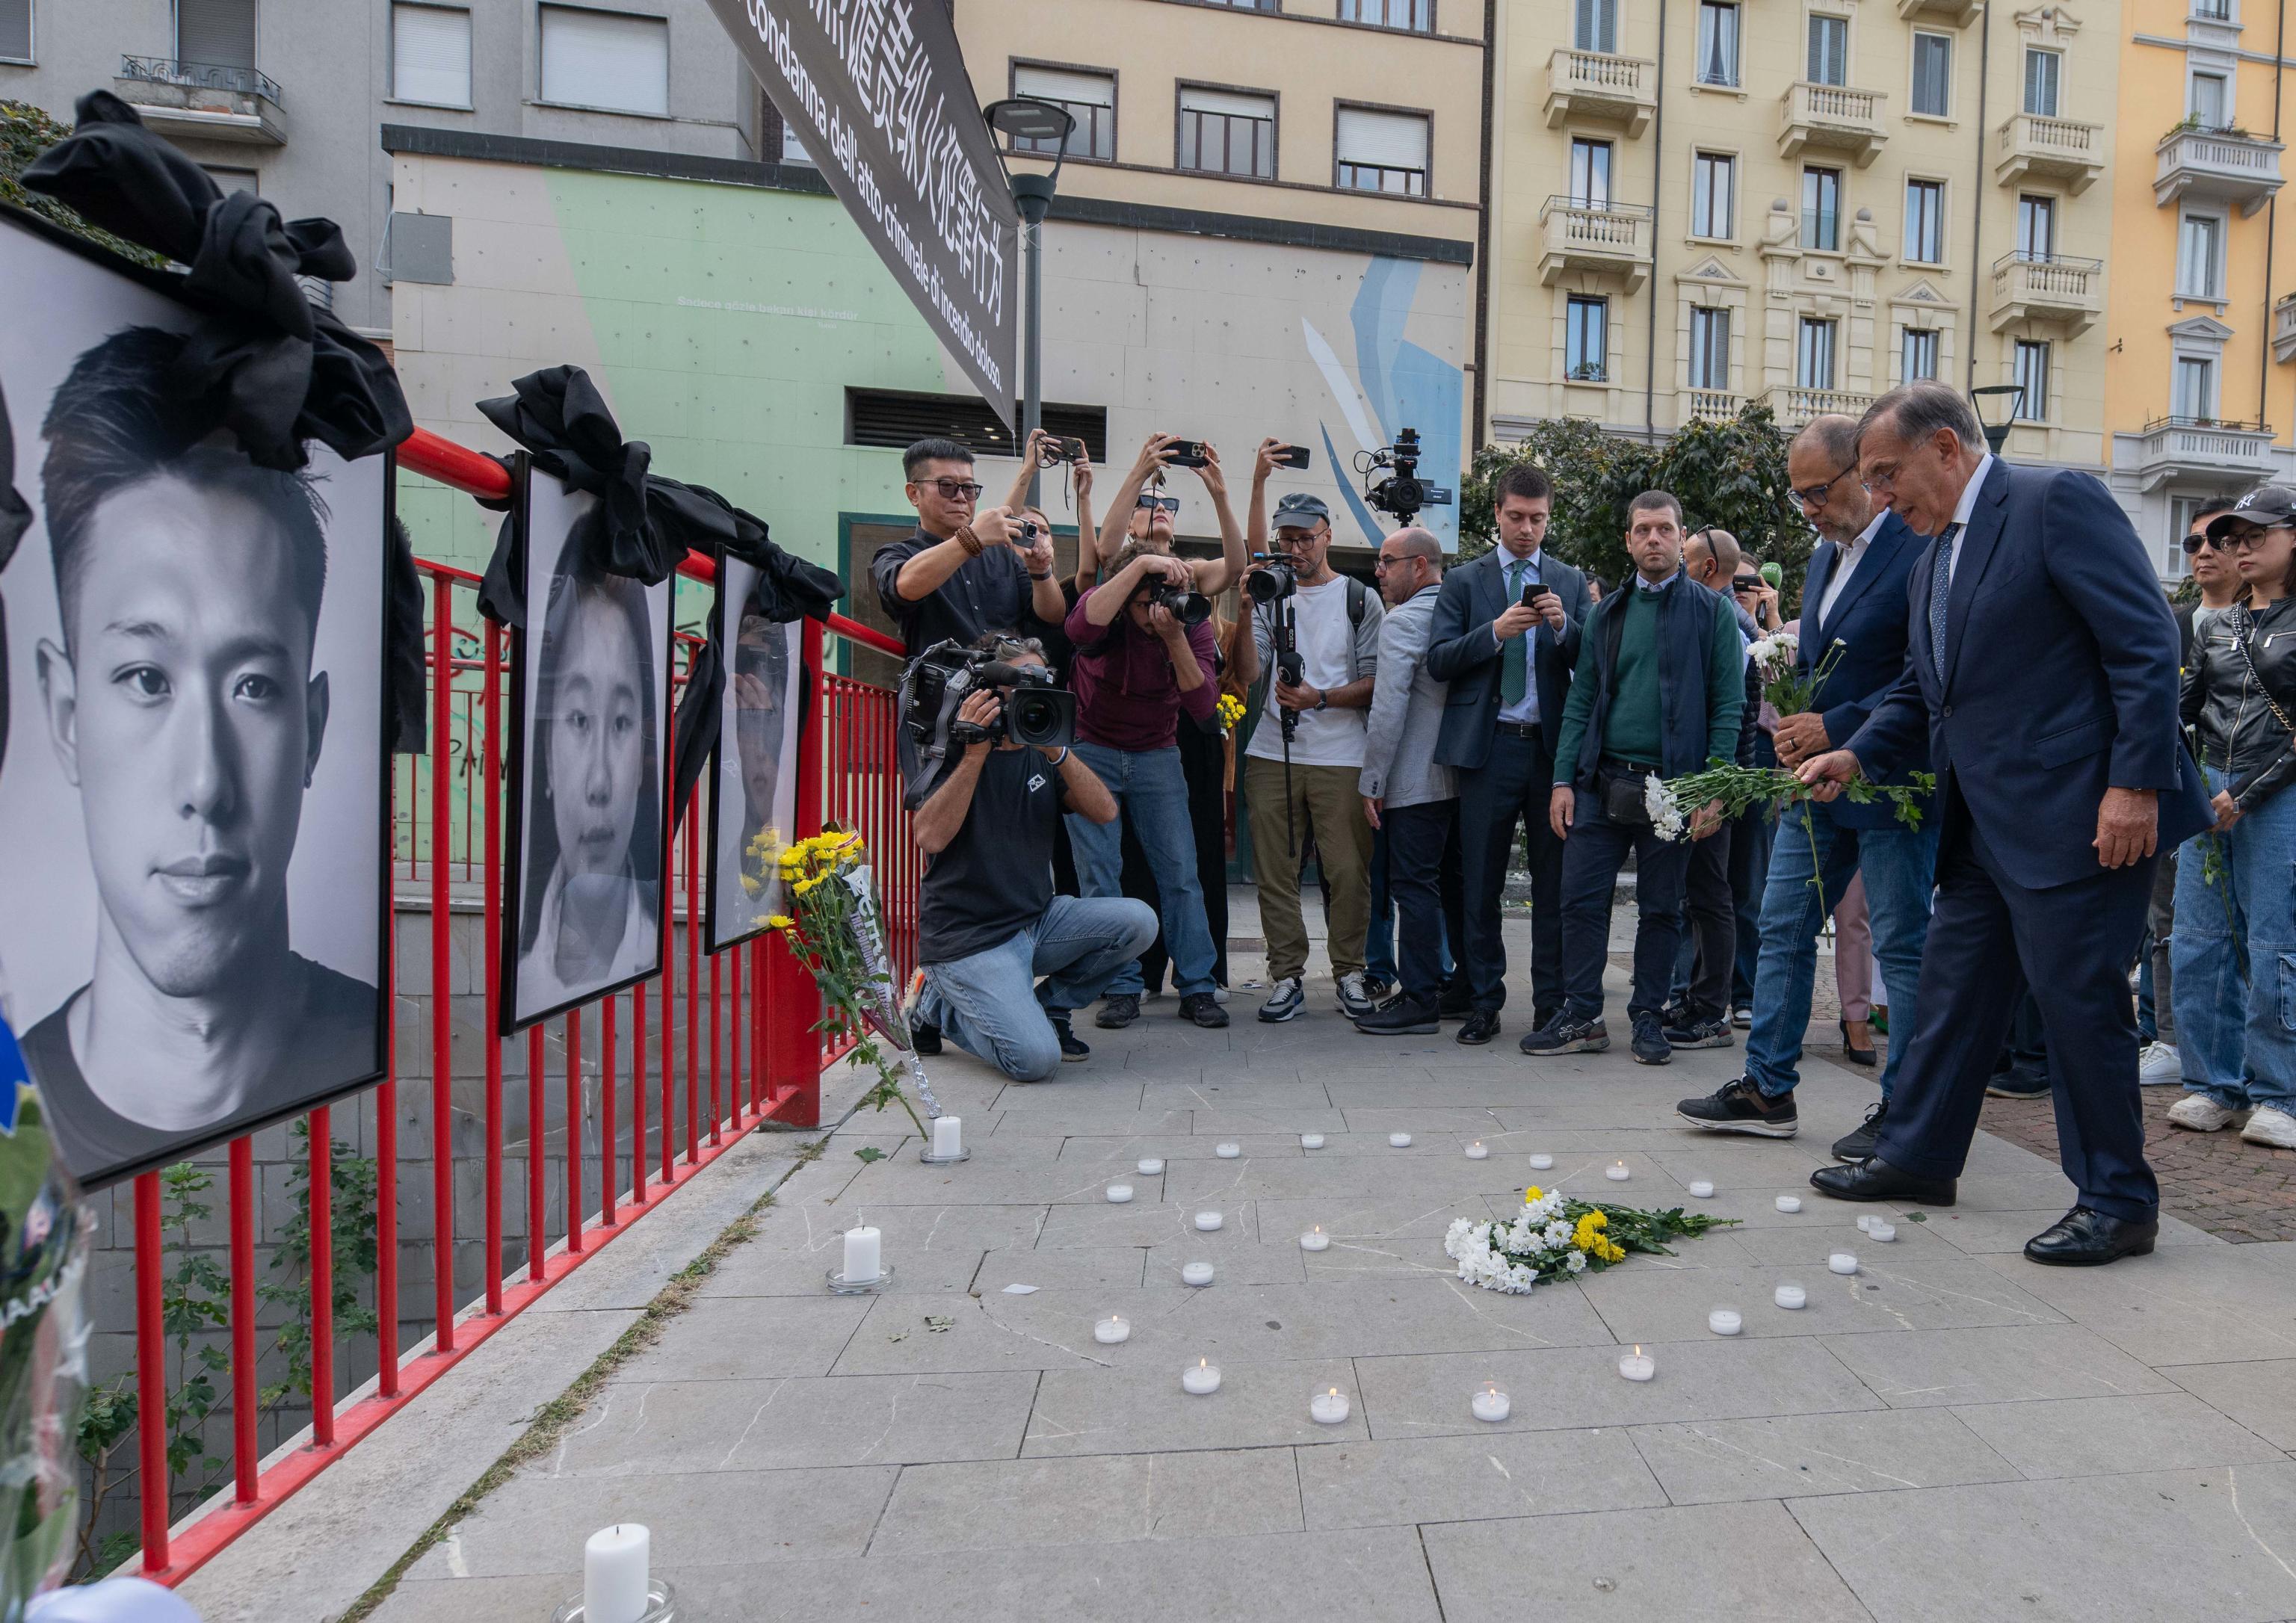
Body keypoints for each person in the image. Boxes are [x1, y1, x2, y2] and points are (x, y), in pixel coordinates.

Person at [1798, 382, 2211, 1266]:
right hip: (1984, 823)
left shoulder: (2053, 501)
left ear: (1945, 448)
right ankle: (1919, 1156)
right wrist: (1857, 751)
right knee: (1954, 995)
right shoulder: (1933, 551)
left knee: (2079, 1009)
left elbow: (2146, 645)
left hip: (2081, 815)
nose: (1877, 496)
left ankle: (2118, 1201)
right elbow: (1924, 686)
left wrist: (2134, 784)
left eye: (1885, 473)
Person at [21, 327, 378, 1181]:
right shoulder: (14, 1110)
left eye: (252, 687)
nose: (205, 784)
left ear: (315, 729)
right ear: (67, 714)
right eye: (146, 678)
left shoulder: (379, 1034)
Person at [1678, 414, 1938, 1160]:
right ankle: (1768, 1087)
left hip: (1893, 779)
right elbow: (1816, 669)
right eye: (1799, 498)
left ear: (1864, 473)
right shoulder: (1823, 561)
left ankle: (1907, 1110)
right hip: (1815, 786)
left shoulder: (1918, 546)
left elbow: (1924, 674)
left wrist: (1841, 731)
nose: (1810, 509)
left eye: (1818, 492)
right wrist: (1796, 731)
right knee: (1784, 924)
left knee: (1900, 945)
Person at [1531, 491, 1744, 1065]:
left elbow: (1729, 706)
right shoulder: (1607, 612)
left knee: (1661, 909)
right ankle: (1581, 1015)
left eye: (1665, 530)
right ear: (1628, 540)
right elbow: (1580, 702)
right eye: (1644, 530)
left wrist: (1714, 789)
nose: (1654, 539)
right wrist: (1562, 781)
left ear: (1682, 540)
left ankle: (1647, 1016)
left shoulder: (1713, 612)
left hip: (1676, 789)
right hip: (1602, 782)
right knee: (1578, 900)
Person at [909, 634, 1157, 1078]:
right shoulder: (952, 747)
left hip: (1036, 921)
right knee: (1035, 1062)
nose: (1030, 696)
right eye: (1019, 685)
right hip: (969, 937)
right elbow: (929, 838)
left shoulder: (1042, 748)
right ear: (988, 691)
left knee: (1139, 921)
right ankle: (936, 1009)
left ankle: (1049, 1010)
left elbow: (1104, 811)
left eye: (1039, 684)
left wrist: (1056, 748)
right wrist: (975, 755)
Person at [1425, 465, 1587, 1045]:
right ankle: (1483, 1001)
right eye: (1517, 517)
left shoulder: (1568, 579)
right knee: (1481, 884)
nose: (1527, 529)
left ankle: (1550, 1006)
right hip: (1488, 748)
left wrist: (1566, 627)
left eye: (1538, 519)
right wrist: (1494, 632)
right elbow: (1438, 660)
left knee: (1553, 886)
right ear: (1496, 513)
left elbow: (1590, 663)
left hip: (1550, 754)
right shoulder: (1465, 582)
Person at [2166, 487, 2296, 1148]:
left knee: (2275, 943)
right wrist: (2184, 784)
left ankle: (2281, 1094)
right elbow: (2183, 711)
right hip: (2209, 785)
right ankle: (2214, 1084)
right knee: (2198, 938)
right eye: (2230, 537)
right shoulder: (2216, 624)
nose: (2236, 547)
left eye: (2255, 535)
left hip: (2278, 795)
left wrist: (2242, 795)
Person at [1061, 542, 1229, 1030]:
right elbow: (1078, 628)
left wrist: (1173, 637)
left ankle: (1198, 986)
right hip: (1090, 751)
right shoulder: (1107, 611)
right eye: (1145, 600)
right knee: (1100, 876)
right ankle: (1120, 987)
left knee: (1180, 874)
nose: (1155, 609)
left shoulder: (1188, 624)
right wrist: (1137, 564)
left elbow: (1202, 708)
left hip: (1157, 754)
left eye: (1167, 597)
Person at [1235, 490, 1383, 1021]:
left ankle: (1350, 972)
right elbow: (1249, 675)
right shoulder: (1271, 593)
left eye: (1305, 537)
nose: (1295, 548)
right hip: (1274, 751)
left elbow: (1375, 682)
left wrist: (1319, 697)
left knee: (1347, 870)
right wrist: (1247, 606)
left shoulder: (1359, 598)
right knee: (1275, 871)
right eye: (1287, 538)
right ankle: (1287, 975)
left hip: (1343, 754)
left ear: (1328, 537)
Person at [513, 528, 665, 1015]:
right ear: (547, 755)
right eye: (579, 720)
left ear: (645, 757)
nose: (599, 784)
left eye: (622, 723)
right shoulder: (520, 977)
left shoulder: (653, 945)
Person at [2142, 501, 2250, 1086]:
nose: (2204, 551)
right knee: (2167, 922)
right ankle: (2168, 1038)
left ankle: (2247, 1054)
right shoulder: (2171, 622)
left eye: (2218, 539)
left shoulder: (2268, 624)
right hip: (2175, 786)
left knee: (2249, 925)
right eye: (2193, 544)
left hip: (2245, 789)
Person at [1354, 528, 1463, 1034]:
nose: (1378, 570)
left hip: (1416, 781)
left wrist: (1371, 780)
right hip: (1468, 778)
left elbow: (1388, 707)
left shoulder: (1403, 622)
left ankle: (1419, 999)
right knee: (1458, 889)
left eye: (1386, 561)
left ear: (1419, 566)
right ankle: (1464, 987)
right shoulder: (1466, 611)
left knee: (1413, 888)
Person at [1663, 525, 1759, 1048]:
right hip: (1708, 780)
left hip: (1718, 784)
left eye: (1684, 555)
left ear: (1702, 568)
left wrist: (1718, 790)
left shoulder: (1729, 622)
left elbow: (1733, 714)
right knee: (1698, 897)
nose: (1676, 562)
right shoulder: (1715, 613)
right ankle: (1695, 1000)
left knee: (1711, 895)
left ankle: (1709, 1011)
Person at [870, 436, 1064, 658]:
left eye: (969, 488)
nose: (961, 497)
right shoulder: (897, 554)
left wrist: (1042, 572)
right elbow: (904, 588)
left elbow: (1053, 617)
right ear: (914, 494)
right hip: (945, 688)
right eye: (947, 486)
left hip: (1009, 687)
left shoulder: (1003, 556)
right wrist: (971, 538)